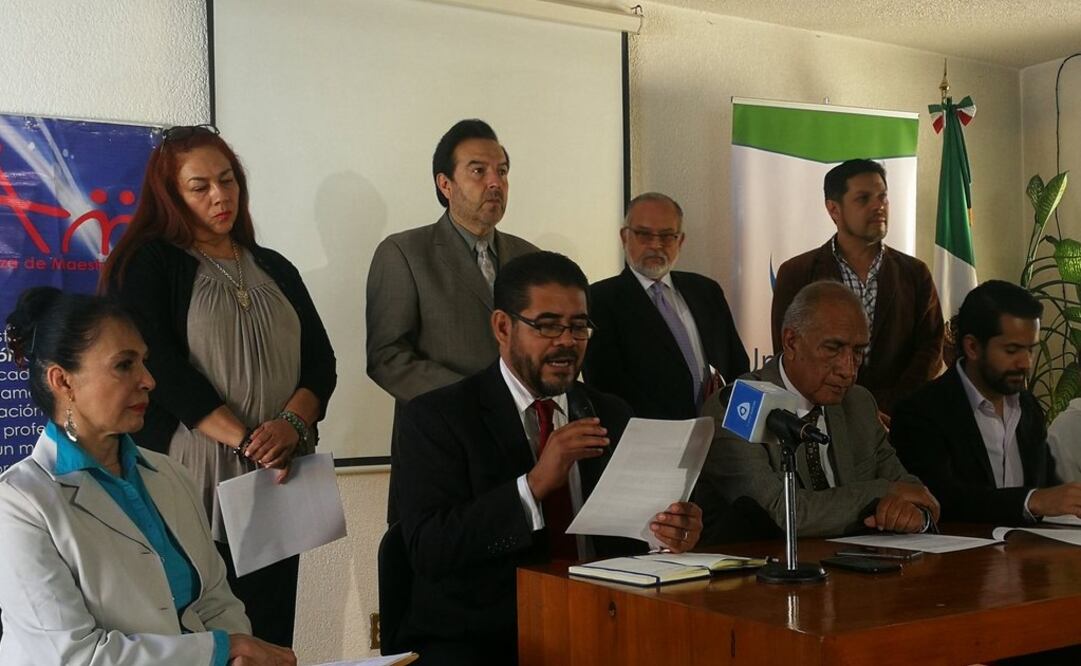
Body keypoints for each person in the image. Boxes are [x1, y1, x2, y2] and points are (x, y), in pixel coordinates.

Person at [396, 251, 703, 664]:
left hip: (601, 625)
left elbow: (629, 538)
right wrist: (534, 485)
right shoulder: (438, 418)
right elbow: (429, 549)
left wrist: (668, 536)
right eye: (547, 326)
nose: (566, 342)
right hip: (488, 640)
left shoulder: (610, 412)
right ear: (503, 327)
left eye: (579, 327)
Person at [100, 125, 336, 647]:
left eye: (227, 180)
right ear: (170, 194)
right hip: (193, 474)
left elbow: (321, 363)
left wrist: (291, 425)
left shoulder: (274, 266)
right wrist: (247, 439)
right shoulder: (151, 263)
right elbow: (155, 361)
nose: (220, 196)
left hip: (276, 476)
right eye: (199, 186)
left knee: (272, 630)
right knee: (206, 632)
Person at [0, 287, 295, 665]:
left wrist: (237, 656)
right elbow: (74, 657)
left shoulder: (170, 475)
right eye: (125, 365)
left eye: (144, 362)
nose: (149, 380)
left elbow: (217, 599)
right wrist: (223, 650)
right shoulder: (19, 503)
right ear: (62, 381)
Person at [366, 119, 538, 522]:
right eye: (478, 171)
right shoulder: (404, 253)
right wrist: (481, 399)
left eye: (502, 171)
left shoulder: (529, 258)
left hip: (523, 449)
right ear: (445, 184)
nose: (495, 182)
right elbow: (387, 357)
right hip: (442, 449)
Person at [696, 280, 940, 539]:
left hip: (855, 567)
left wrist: (915, 516)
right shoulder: (739, 403)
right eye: (832, 349)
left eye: (858, 352)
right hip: (761, 570)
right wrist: (882, 493)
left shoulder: (857, 402)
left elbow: (910, 490)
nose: (848, 370)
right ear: (791, 342)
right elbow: (781, 514)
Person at [891, 280, 1080, 524]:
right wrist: (1031, 500)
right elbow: (939, 500)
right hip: (959, 558)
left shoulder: (1028, 407)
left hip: (1028, 554)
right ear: (972, 347)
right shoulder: (920, 412)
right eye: (1012, 350)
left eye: (1030, 350)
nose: (1025, 363)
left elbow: (1049, 491)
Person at [770, 159, 944, 417]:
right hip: (822, 418)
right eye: (863, 199)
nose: (878, 206)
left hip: (899, 421)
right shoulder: (797, 273)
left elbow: (930, 348)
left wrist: (889, 407)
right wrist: (848, 409)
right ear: (833, 209)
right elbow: (789, 352)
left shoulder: (914, 273)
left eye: (883, 197)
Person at [584, 192, 749, 419]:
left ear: (680, 240)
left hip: (718, 436)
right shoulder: (600, 299)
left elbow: (738, 366)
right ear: (624, 237)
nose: (656, 245)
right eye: (644, 234)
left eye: (666, 236)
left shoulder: (706, 291)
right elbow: (603, 385)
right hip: (649, 442)